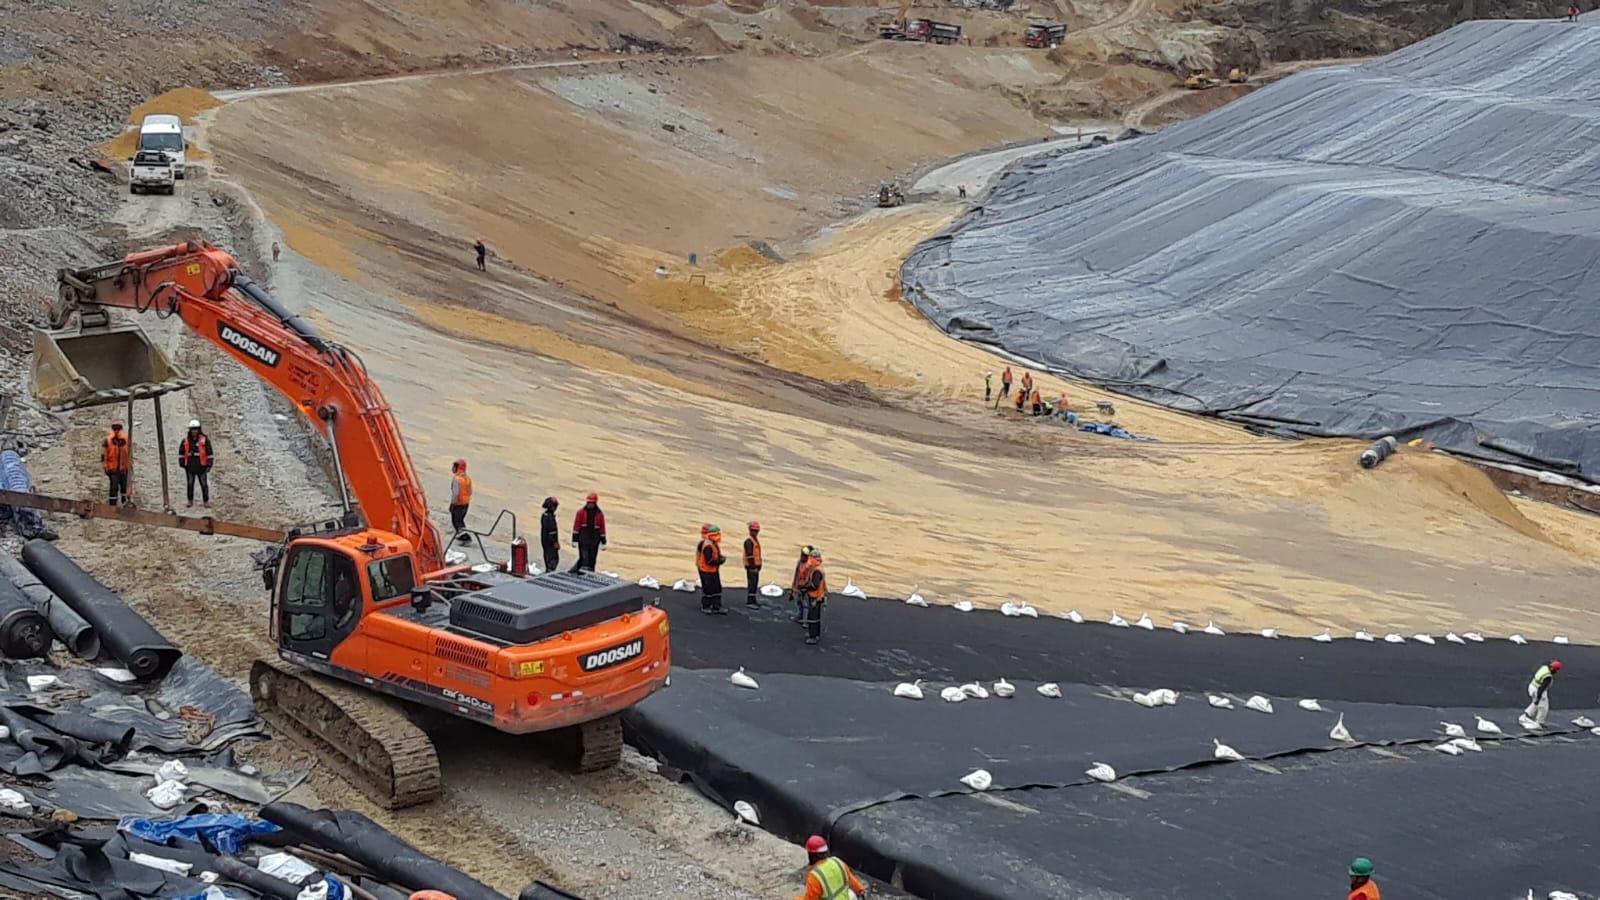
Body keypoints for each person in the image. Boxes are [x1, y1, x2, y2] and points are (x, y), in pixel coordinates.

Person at [795, 835, 866, 900]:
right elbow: (850, 877)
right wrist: (860, 889)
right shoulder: (837, 861)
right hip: (845, 897)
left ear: (812, 855)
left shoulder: (814, 876)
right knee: (851, 894)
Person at [177, 419, 215, 508]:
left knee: (204, 484)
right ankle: (190, 501)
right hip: (190, 466)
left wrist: (209, 465)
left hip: (201, 466)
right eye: (193, 429)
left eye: (196, 429)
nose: (194, 431)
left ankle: (206, 501)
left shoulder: (205, 440)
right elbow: (181, 453)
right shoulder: (185, 441)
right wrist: (182, 464)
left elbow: (210, 453)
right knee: (190, 484)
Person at [570, 493, 606, 573]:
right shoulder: (580, 513)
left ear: (595, 503)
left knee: (592, 558)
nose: (589, 504)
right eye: (589, 502)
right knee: (584, 557)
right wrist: (574, 540)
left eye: (591, 503)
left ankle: (590, 572)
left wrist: (603, 541)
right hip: (583, 538)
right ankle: (579, 572)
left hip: (594, 539)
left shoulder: (600, 514)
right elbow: (576, 526)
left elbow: (602, 528)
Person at [800, 548, 827, 645]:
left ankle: (813, 636)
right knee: (816, 617)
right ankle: (816, 634)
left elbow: (815, 585)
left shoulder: (816, 571)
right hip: (818, 596)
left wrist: (805, 587)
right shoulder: (818, 568)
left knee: (813, 617)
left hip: (815, 597)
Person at [697, 524, 727, 614]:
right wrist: (720, 561)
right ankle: (706, 606)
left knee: (717, 588)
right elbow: (709, 561)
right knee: (708, 589)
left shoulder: (713, 544)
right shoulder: (708, 546)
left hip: (713, 570)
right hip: (706, 571)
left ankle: (716, 606)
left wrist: (719, 558)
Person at [102, 420, 132, 505]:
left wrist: (129, 466)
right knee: (113, 488)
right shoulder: (108, 440)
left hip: (123, 469)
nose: (116, 430)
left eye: (118, 428)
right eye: (115, 428)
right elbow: (104, 454)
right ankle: (112, 505)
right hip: (113, 469)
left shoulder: (126, 439)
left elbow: (129, 453)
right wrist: (105, 466)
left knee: (124, 488)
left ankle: (124, 503)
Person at [1525, 659, 1562, 727]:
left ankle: (1527, 714)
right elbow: (1541, 689)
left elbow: (1548, 662)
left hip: (1532, 686)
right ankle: (1539, 722)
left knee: (1536, 703)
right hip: (1537, 690)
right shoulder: (1547, 677)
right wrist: (1538, 697)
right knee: (1543, 707)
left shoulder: (1545, 667)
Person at [448, 459, 472, 544]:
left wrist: (452, 504)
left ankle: (465, 538)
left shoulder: (457, 479)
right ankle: (461, 535)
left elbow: (455, 493)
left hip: (458, 503)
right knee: (460, 520)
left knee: (456, 522)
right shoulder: (467, 478)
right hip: (466, 503)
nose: (453, 468)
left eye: (454, 466)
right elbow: (470, 491)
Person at [791, 545, 815, 624]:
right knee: (799, 602)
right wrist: (793, 588)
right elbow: (796, 575)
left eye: (804, 555)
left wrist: (806, 587)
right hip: (799, 586)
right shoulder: (800, 563)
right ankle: (800, 617)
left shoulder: (810, 566)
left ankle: (806, 621)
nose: (802, 557)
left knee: (806, 605)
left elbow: (810, 578)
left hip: (805, 588)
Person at [742, 521, 763, 608]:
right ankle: (750, 602)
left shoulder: (754, 541)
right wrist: (753, 567)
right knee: (752, 584)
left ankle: (753, 600)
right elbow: (750, 556)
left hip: (756, 566)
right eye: (754, 530)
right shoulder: (749, 542)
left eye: (756, 531)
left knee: (754, 584)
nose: (755, 532)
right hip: (751, 567)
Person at [539, 496, 561, 573]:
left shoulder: (544, 515)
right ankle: (550, 571)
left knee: (547, 556)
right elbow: (552, 531)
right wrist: (555, 542)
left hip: (544, 540)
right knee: (553, 559)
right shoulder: (550, 517)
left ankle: (548, 569)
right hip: (550, 542)